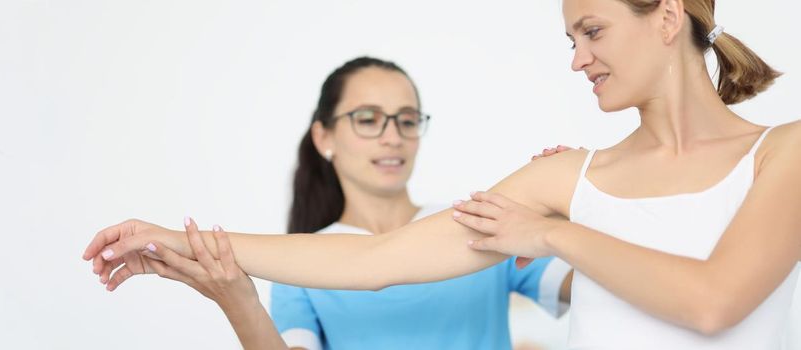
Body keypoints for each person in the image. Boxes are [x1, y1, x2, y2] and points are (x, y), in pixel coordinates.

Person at [87, 0, 800, 348]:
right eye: (569, 38)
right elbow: (372, 260)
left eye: (591, 30)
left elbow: (713, 302)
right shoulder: (563, 182)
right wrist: (174, 240)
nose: (576, 59)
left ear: (668, 16)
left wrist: (557, 235)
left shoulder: (784, 152)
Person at [101, 56, 574, 349]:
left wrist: (574, 202)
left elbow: (597, 282)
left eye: (407, 120)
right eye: (368, 119)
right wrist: (237, 299)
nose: (392, 137)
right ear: (324, 136)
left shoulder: (477, 224)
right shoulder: (302, 265)